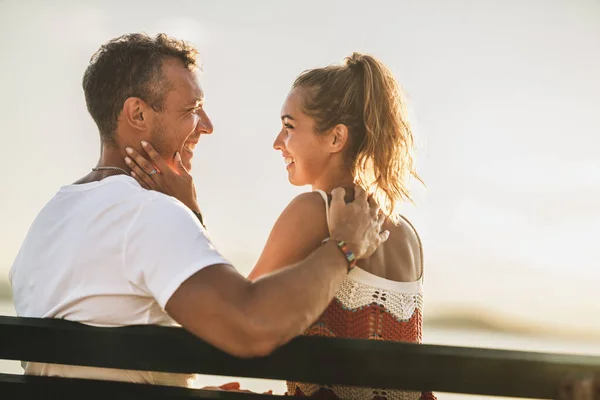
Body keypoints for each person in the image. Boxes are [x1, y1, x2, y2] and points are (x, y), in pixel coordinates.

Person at [8, 33, 388, 388]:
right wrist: (344, 248)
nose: (206, 126)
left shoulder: (50, 218)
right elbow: (252, 325)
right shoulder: (147, 214)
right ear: (137, 115)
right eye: (193, 110)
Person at [129, 53, 436, 399]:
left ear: (336, 138)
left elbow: (230, 319)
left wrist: (190, 211)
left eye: (289, 127)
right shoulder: (407, 232)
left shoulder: (313, 211)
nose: (278, 142)